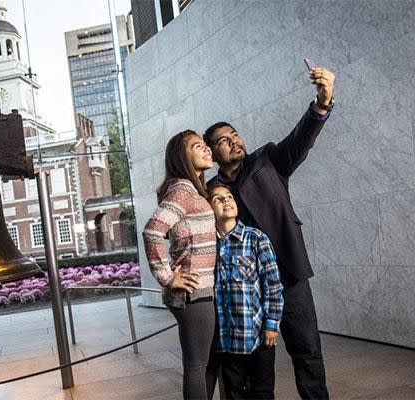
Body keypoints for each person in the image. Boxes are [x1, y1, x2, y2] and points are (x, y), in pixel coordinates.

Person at [203, 65, 336, 399]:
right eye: (223, 140)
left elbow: (300, 140)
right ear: (212, 152)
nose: (233, 140)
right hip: (244, 290)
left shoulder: (267, 161)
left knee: (307, 352)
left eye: (234, 134)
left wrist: (322, 103)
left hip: (288, 276)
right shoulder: (211, 190)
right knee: (252, 368)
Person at [142, 129, 217, 399]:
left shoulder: (191, 190)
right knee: (197, 366)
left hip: (198, 290)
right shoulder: (183, 189)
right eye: (198, 146)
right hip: (194, 292)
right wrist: (167, 276)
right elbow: (152, 231)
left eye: (205, 144)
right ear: (181, 156)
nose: (207, 148)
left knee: (200, 365)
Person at [204, 183, 283, 400]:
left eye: (229, 197)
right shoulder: (209, 246)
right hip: (226, 340)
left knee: (262, 392)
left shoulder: (257, 239)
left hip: (258, 337)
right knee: (234, 393)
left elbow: (273, 285)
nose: (226, 201)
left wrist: (271, 324)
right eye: (217, 199)